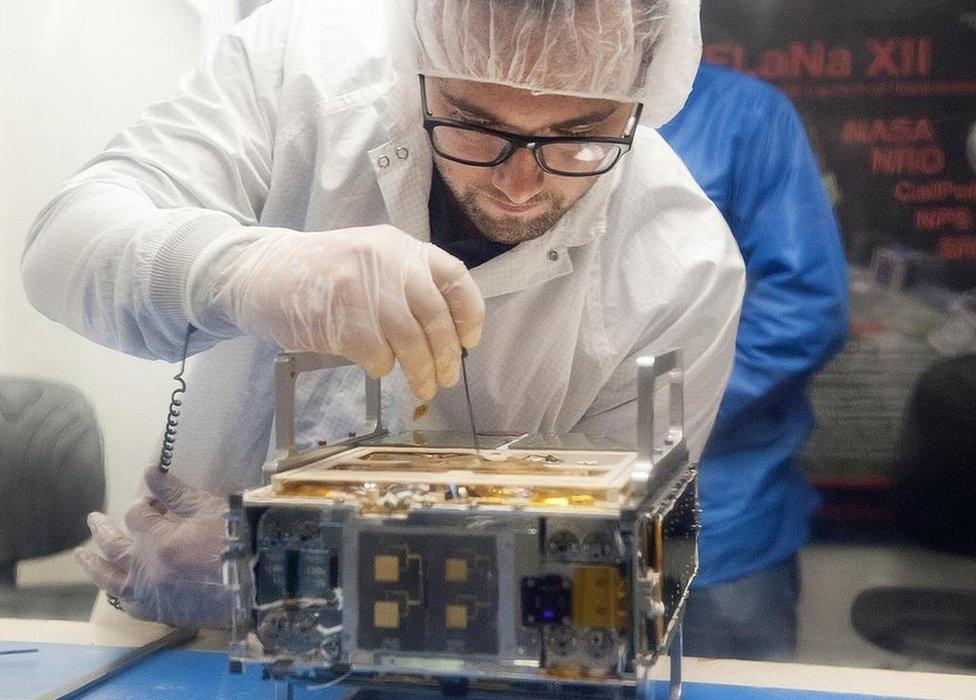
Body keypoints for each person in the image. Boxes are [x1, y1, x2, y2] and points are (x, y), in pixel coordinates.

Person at [22, 0, 745, 628]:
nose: (520, 184)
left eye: (579, 135)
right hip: (188, 629)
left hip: (491, 671)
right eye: (474, 123)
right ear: (416, 62)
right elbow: (63, 249)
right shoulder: (301, 70)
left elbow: (603, 570)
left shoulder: (678, 269)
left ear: (647, 89)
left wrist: (292, 572)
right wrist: (240, 270)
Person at [658, 63, 849, 660]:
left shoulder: (746, 114)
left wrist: (658, 420)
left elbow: (803, 309)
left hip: (720, 521)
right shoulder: (517, 113)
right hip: (543, 512)